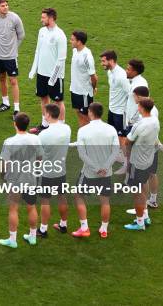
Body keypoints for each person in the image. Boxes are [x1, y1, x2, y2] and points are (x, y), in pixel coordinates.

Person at [73, 102, 119, 239]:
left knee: (78, 195)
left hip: (89, 173)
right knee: (105, 201)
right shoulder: (111, 129)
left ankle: (84, 228)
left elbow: (82, 154)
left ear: (90, 113)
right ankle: (104, 229)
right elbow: (116, 151)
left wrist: (96, 168)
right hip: (106, 173)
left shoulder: (83, 130)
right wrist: (105, 167)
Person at [0, 113, 43, 248]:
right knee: (31, 207)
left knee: (13, 209)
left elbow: (4, 163)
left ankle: (12, 239)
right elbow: (40, 158)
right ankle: (33, 236)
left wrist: (2, 176)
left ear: (15, 124)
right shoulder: (36, 139)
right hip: (30, 178)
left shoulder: (9, 141)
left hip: (14, 180)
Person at [28, 8, 67, 133]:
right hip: (42, 73)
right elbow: (38, 51)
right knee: (43, 98)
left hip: (55, 76)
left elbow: (61, 59)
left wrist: (53, 78)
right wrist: (34, 69)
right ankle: (45, 124)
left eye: (43, 17)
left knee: (58, 101)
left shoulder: (60, 35)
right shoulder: (42, 31)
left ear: (51, 18)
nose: (41, 20)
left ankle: (60, 127)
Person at [124, 98, 160, 231]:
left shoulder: (139, 125)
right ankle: (145, 216)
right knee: (143, 187)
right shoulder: (155, 120)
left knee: (136, 192)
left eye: (138, 105)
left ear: (142, 108)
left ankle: (140, 223)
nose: (137, 106)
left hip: (137, 162)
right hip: (148, 159)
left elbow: (128, 141)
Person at [37, 104, 71, 237]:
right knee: (62, 197)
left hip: (47, 172)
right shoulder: (67, 128)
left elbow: (38, 156)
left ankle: (43, 229)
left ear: (49, 115)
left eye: (45, 113)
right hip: (61, 170)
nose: (44, 115)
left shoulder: (43, 135)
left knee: (45, 200)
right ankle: (63, 225)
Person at [0, 0, 25, 117]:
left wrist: (14, 48)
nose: (5, 7)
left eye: (6, 5)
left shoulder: (15, 18)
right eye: (3, 6)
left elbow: (21, 35)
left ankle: (16, 108)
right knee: (1, 78)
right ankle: (5, 102)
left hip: (11, 56)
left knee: (13, 80)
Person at [116, 59, 148, 174]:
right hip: (129, 119)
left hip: (134, 122)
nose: (126, 71)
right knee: (128, 147)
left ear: (135, 71)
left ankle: (130, 173)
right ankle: (128, 170)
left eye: (128, 69)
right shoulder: (132, 81)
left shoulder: (140, 84)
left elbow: (142, 103)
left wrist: (132, 121)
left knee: (131, 148)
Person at [99, 50, 130, 170]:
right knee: (115, 134)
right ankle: (119, 155)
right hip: (112, 109)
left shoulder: (122, 76)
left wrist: (127, 111)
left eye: (103, 61)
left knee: (122, 137)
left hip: (121, 112)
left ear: (111, 60)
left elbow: (130, 94)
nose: (102, 64)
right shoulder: (110, 73)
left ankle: (127, 163)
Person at [69, 30, 97, 128]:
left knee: (86, 117)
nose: (70, 41)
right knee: (79, 114)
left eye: (72, 40)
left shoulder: (87, 56)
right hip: (75, 89)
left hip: (84, 92)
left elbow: (93, 76)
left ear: (79, 42)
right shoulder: (75, 51)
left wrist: (93, 88)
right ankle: (82, 139)